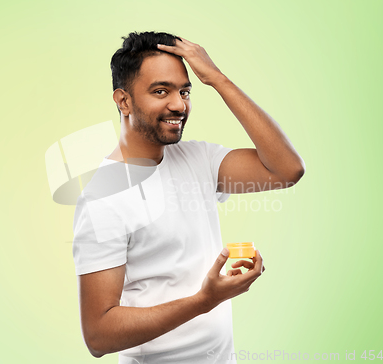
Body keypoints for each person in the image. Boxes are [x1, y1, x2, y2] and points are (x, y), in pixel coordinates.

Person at [73, 31, 305, 363]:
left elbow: (288, 170)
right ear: (124, 101)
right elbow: (99, 335)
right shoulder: (102, 198)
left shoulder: (198, 159)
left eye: (185, 91)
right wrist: (204, 300)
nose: (179, 104)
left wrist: (217, 79)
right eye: (160, 91)